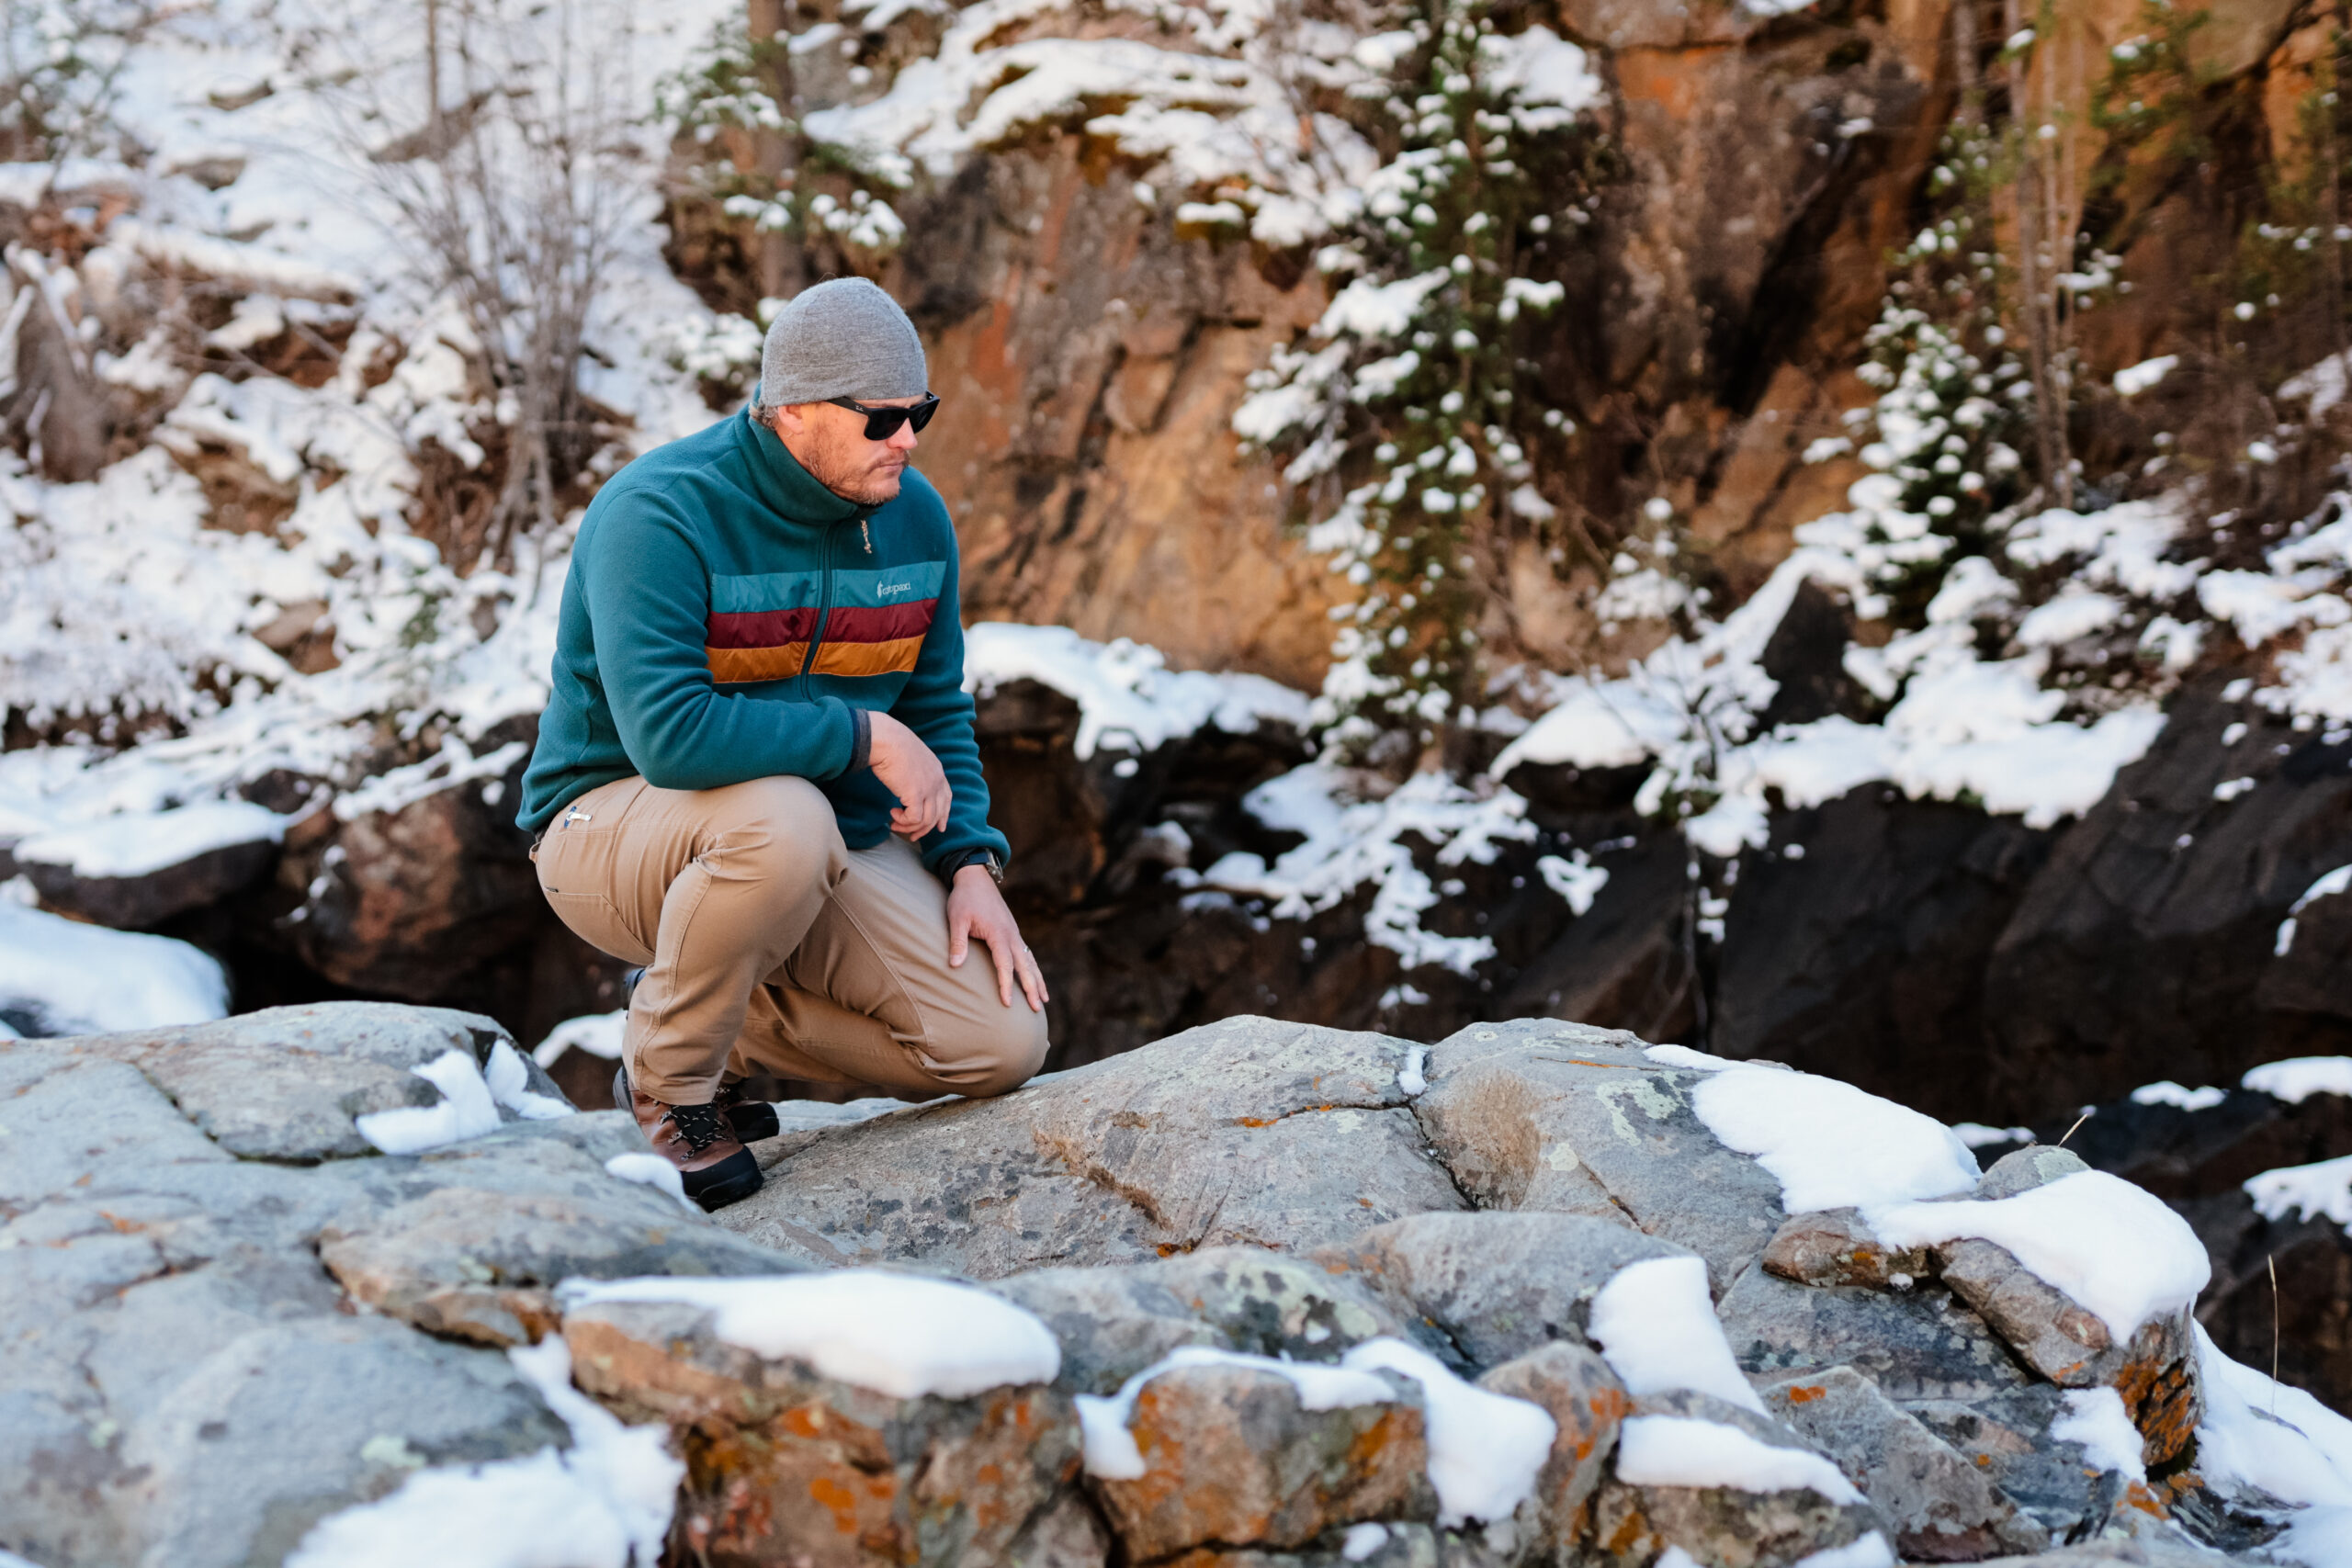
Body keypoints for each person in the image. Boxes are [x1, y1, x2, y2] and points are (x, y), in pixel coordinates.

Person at [515, 277, 1048, 1211]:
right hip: (608, 827)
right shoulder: (659, 513)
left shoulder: (914, 517)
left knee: (1000, 1045)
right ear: (793, 409)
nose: (909, 440)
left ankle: (706, 1007)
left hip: (813, 841)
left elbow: (935, 707)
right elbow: (672, 738)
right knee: (785, 816)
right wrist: (860, 734)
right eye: (883, 419)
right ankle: (672, 1086)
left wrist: (969, 862)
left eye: (919, 411)